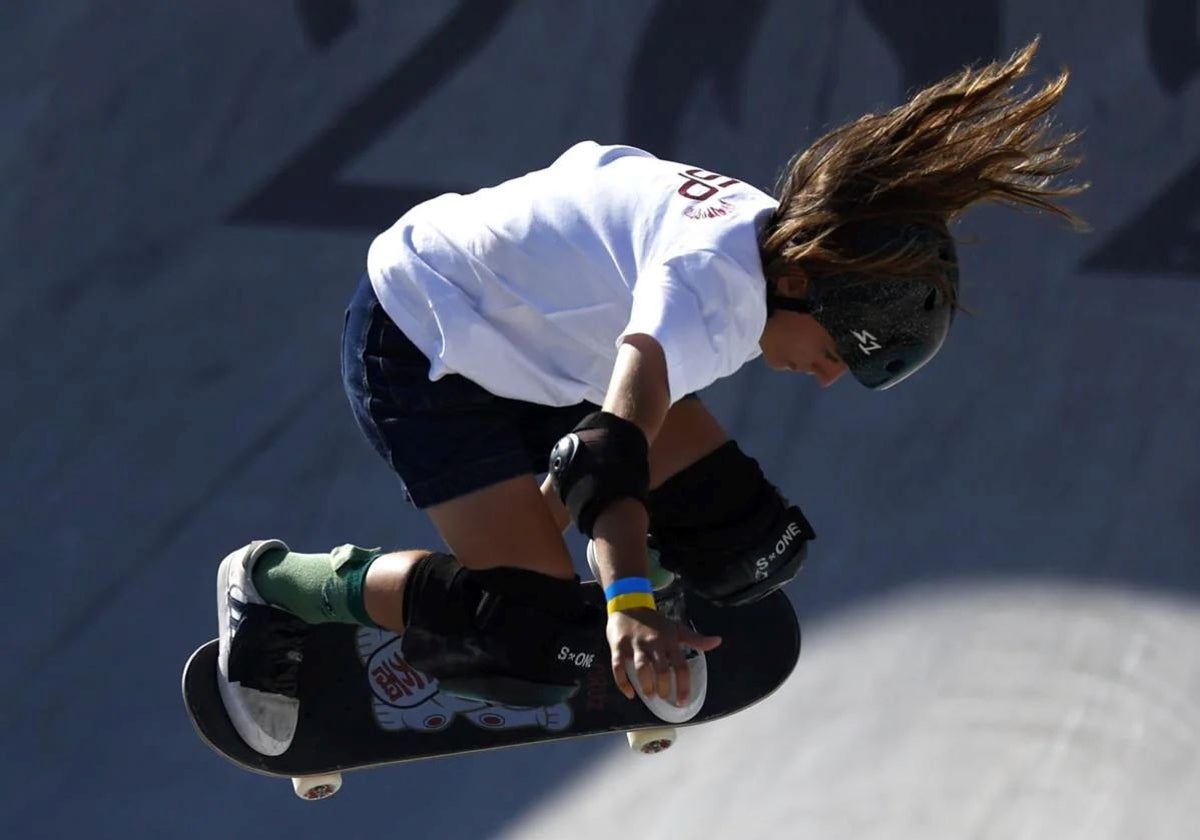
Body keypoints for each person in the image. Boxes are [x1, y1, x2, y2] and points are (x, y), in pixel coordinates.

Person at [215, 38, 1087, 756]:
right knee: (532, 646)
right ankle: (284, 589)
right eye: (832, 354)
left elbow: (607, 441)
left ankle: (590, 586)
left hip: (550, 345)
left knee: (753, 547)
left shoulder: (769, 234)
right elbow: (606, 453)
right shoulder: (711, 294)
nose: (826, 378)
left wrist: (589, 536)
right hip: (427, 342)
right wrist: (623, 603)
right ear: (798, 282)